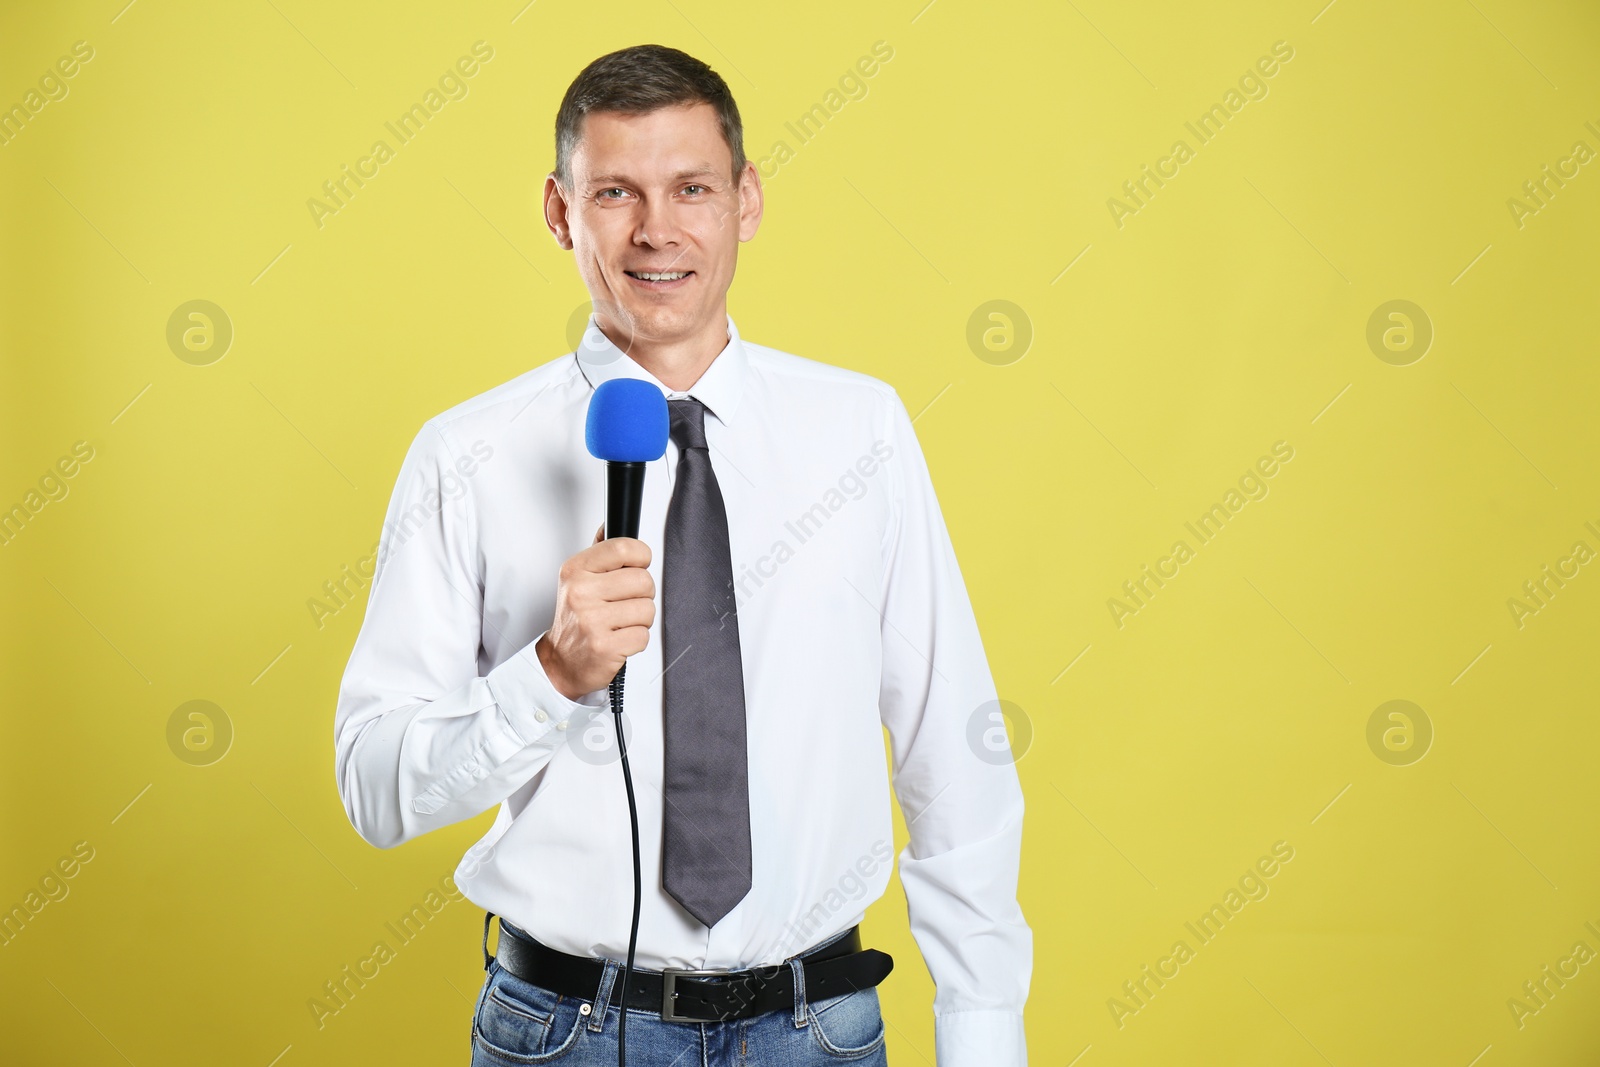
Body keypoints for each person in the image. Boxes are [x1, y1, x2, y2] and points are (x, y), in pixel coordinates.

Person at [333, 43, 1031, 1066]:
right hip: (563, 1031)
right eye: (615, 191)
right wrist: (549, 676)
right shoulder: (464, 456)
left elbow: (947, 744)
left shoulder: (860, 430)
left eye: (691, 187)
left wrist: (982, 1036)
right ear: (560, 210)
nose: (657, 229)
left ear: (744, 199)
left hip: (817, 1028)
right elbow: (376, 789)